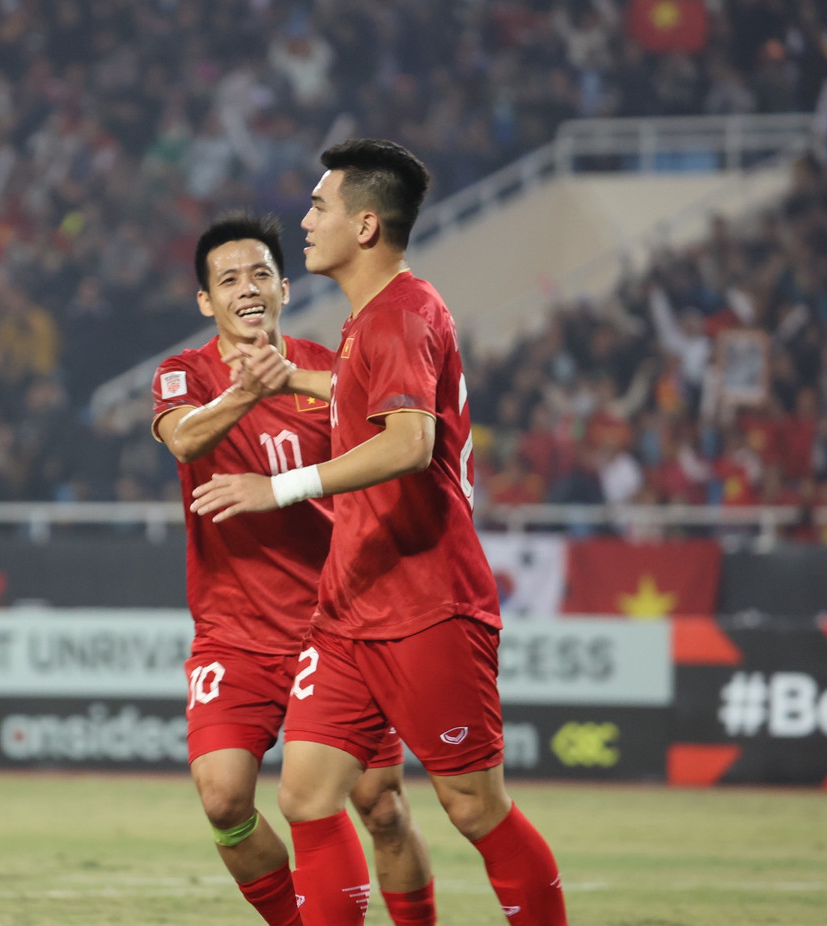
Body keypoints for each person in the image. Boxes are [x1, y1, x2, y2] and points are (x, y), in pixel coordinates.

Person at [191, 141, 569, 925]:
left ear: (365, 225)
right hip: (350, 609)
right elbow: (354, 396)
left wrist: (279, 488)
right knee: (305, 796)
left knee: (473, 808)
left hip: (427, 603)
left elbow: (409, 444)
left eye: (319, 206)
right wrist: (292, 377)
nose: (305, 218)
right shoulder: (373, 321)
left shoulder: (400, 312)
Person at [154, 212, 435, 926]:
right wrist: (251, 388)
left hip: (338, 629)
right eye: (227, 280)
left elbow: (398, 449)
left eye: (257, 275)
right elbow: (185, 442)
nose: (245, 289)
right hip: (234, 634)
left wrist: (299, 384)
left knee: (382, 808)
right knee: (223, 799)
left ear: (283, 286)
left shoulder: (333, 369)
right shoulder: (182, 374)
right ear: (205, 302)